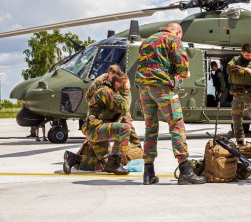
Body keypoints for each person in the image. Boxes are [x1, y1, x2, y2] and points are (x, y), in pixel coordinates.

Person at [135, 22, 206, 185]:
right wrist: (183, 74)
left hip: (143, 89)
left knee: (150, 128)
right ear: (178, 32)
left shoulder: (147, 41)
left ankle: (148, 172)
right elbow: (183, 68)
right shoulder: (172, 39)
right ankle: (185, 170)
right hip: (161, 87)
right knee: (176, 125)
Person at [63, 73, 132, 175]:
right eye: (123, 85)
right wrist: (127, 91)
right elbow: (125, 107)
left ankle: (73, 158)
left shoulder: (112, 94)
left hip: (97, 130)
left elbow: (125, 115)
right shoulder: (105, 91)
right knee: (125, 129)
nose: (124, 88)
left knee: (104, 165)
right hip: (95, 130)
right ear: (117, 84)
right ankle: (114, 163)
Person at [85, 64, 140, 147]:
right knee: (95, 130)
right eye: (111, 76)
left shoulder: (123, 79)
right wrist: (96, 107)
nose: (112, 79)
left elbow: (126, 104)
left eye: (114, 76)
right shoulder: (100, 81)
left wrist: (120, 106)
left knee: (127, 122)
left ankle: (137, 146)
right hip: (106, 105)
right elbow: (88, 96)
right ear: (108, 73)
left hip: (119, 103)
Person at [226, 43, 251, 145]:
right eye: (246, 55)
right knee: (236, 117)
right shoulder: (235, 60)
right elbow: (229, 69)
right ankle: (239, 140)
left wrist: (248, 71)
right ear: (242, 53)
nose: (249, 57)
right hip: (237, 93)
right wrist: (245, 70)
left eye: (250, 55)